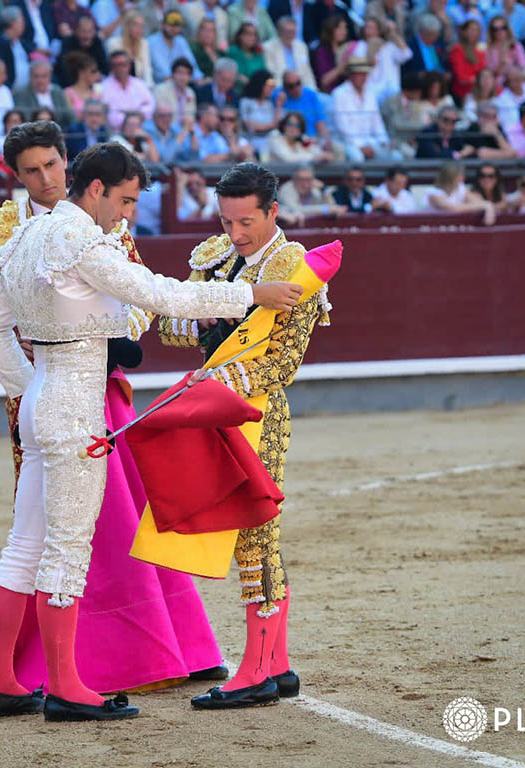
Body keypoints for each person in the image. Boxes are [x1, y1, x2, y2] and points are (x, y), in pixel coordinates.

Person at [0, 143, 299, 721]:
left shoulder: (26, 238)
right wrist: (253, 292)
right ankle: (68, 688)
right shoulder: (76, 240)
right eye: (124, 200)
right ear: (96, 188)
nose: (126, 215)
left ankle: (4, 684)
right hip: (74, 404)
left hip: (42, 398)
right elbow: (163, 295)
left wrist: (29, 390)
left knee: (24, 543)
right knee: (67, 547)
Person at [157, 162, 331, 710]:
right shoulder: (216, 258)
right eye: (228, 221)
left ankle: (255, 672)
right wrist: (206, 322)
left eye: (247, 222)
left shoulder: (296, 268)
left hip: (260, 415)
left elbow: (282, 364)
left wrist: (214, 379)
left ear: (273, 212)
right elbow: (169, 322)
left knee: (256, 534)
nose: (236, 234)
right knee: (254, 536)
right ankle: (274, 666)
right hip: (216, 414)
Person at [332, 57, 394, 161]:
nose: (363, 77)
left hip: (370, 142)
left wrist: (384, 141)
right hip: (346, 143)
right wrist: (361, 147)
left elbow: (377, 123)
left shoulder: (371, 93)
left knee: (395, 156)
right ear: (351, 75)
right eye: (360, 74)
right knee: (357, 158)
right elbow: (343, 128)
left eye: (365, 74)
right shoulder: (339, 94)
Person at [424, 160, 496, 225]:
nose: (462, 178)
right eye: (459, 175)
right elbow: (454, 208)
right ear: (449, 176)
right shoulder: (433, 193)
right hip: (432, 227)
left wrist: (488, 206)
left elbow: (479, 202)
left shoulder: (460, 188)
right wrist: (486, 205)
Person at [13, 58, 75, 127]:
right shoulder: (21, 93)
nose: (40, 80)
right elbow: (23, 116)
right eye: (36, 76)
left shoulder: (57, 91)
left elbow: (68, 115)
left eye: (44, 76)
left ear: (50, 77)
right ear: (30, 77)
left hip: (58, 130)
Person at [277, 163, 345, 224]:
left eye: (308, 180)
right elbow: (295, 210)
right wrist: (325, 209)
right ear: (293, 180)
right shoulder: (286, 190)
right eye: (301, 179)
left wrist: (324, 191)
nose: (305, 184)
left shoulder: (315, 190)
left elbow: (333, 208)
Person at [264, 15, 317, 90]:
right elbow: (271, 74)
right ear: (279, 32)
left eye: (293, 31)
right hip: (281, 88)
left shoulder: (301, 46)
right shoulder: (268, 47)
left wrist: (313, 91)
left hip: (302, 88)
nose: (291, 35)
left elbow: (308, 73)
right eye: (288, 32)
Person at [148, 10, 202, 84]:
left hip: (181, 83)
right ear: (162, 24)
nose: (174, 28)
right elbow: (163, 72)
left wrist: (198, 79)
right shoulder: (152, 42)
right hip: (160, 86)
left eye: (177, 25)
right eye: (171, 25)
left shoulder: (181, 41)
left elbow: (192, 65)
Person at [55, 15, 107, 87]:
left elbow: (104, 67)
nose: (86, 36)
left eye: (89, 32)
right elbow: (63, 67)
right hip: (71, 83)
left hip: (94, 83)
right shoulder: (68, 42)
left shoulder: (97, 42)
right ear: (76, 31)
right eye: (83, 31)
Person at [107, 10, 152, 85]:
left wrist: (149, 87)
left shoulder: (144, 44)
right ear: (127, 26)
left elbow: (147, 70)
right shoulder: (114, 43)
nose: (139, 29)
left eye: (142, 26)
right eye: (136, 25)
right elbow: (114, 70)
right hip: (118, 84)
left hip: (139, 85)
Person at [484, 13, 525, 87]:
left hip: (517, 81)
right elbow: (489, 74)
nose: (499, 31)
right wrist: (501, 65)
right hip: (498, 85)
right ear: (491, 31)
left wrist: (514, 76)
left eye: (503, 28)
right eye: (495, 29)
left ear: (507, 29)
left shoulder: (515, 46)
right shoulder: (488, 49)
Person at [266, 110, 332, 162]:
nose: (292, 128)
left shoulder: (303, 138)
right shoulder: (275, 135)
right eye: (290, 124)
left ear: (301, 129)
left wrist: (324, 155)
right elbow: (287, 158)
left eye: (297, 126)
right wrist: (313, 157)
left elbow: (317, 152)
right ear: (284, 125)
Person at [152, 57, 197, 127]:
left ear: (190, 77)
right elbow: (162, 117)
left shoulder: (190, 93)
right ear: (172, 74)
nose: (182, 77)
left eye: (186, 73)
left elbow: (191, 117)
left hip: (185, 130)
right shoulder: (161, 90)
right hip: (166, 129)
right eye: (179, 73)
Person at [448, 19, 485, 102]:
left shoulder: (479, 52)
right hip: (462, 94)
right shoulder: (457, 50)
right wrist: (481, 80)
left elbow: (483, 72)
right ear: (464, 32)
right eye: (471, 29)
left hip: (478, 92)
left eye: (476, 30)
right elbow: (461, 78)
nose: (473, 33)